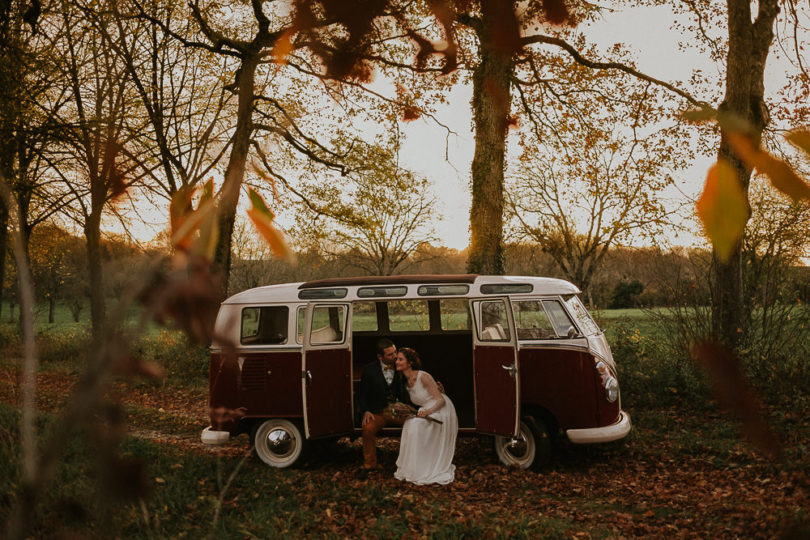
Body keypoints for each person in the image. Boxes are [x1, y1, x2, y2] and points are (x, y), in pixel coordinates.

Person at [394, 347, 458, 485]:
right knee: (409, 423)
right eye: (396, 359)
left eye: (400, 359)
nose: (397, 362)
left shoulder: (422, 376)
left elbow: (440, 399)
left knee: (417, 425)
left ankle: (427, 467)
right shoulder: (403, 382)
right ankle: (414, 466)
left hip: (441, 408)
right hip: (425, 409)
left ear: (409, 363)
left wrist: (428, 412)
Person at [355, 338, 410, 478]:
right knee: (367, 428)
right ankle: (370, 464)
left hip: (397, 411)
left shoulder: (401, 366)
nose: (395, 356)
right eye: (390, 354)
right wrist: (366, 410)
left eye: (395, 352)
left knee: (415, 424)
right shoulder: (369, 370)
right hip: (377, 412)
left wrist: (404, 406)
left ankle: (412, 461)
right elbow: (361, 395)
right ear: (380, 357)